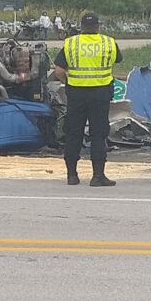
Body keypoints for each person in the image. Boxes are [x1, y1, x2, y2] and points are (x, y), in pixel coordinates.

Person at [53, 13, 123, 187]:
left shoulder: (71, 43)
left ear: (81, 26)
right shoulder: (108, 42)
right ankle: (98, 176)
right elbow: (118, 60)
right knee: (98, 134)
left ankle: (72, 176)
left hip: (76, 94)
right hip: (100, 94)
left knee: (73, 133)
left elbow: (59, 72)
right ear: (98, 26)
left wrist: (69, 83)